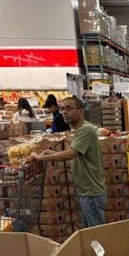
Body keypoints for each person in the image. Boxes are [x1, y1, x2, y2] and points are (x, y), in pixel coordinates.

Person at [30, 97, 106, 227]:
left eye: (69, 108)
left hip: (91, 192)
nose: (64, 112)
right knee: (90, 232)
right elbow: (75, 152)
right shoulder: (79, 130)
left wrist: (41, 158)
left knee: (96, 233)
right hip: (86, 191)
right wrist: (53, 153)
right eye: (62, 109)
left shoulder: (86, 130)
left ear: (81, 111)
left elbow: (70, 154)